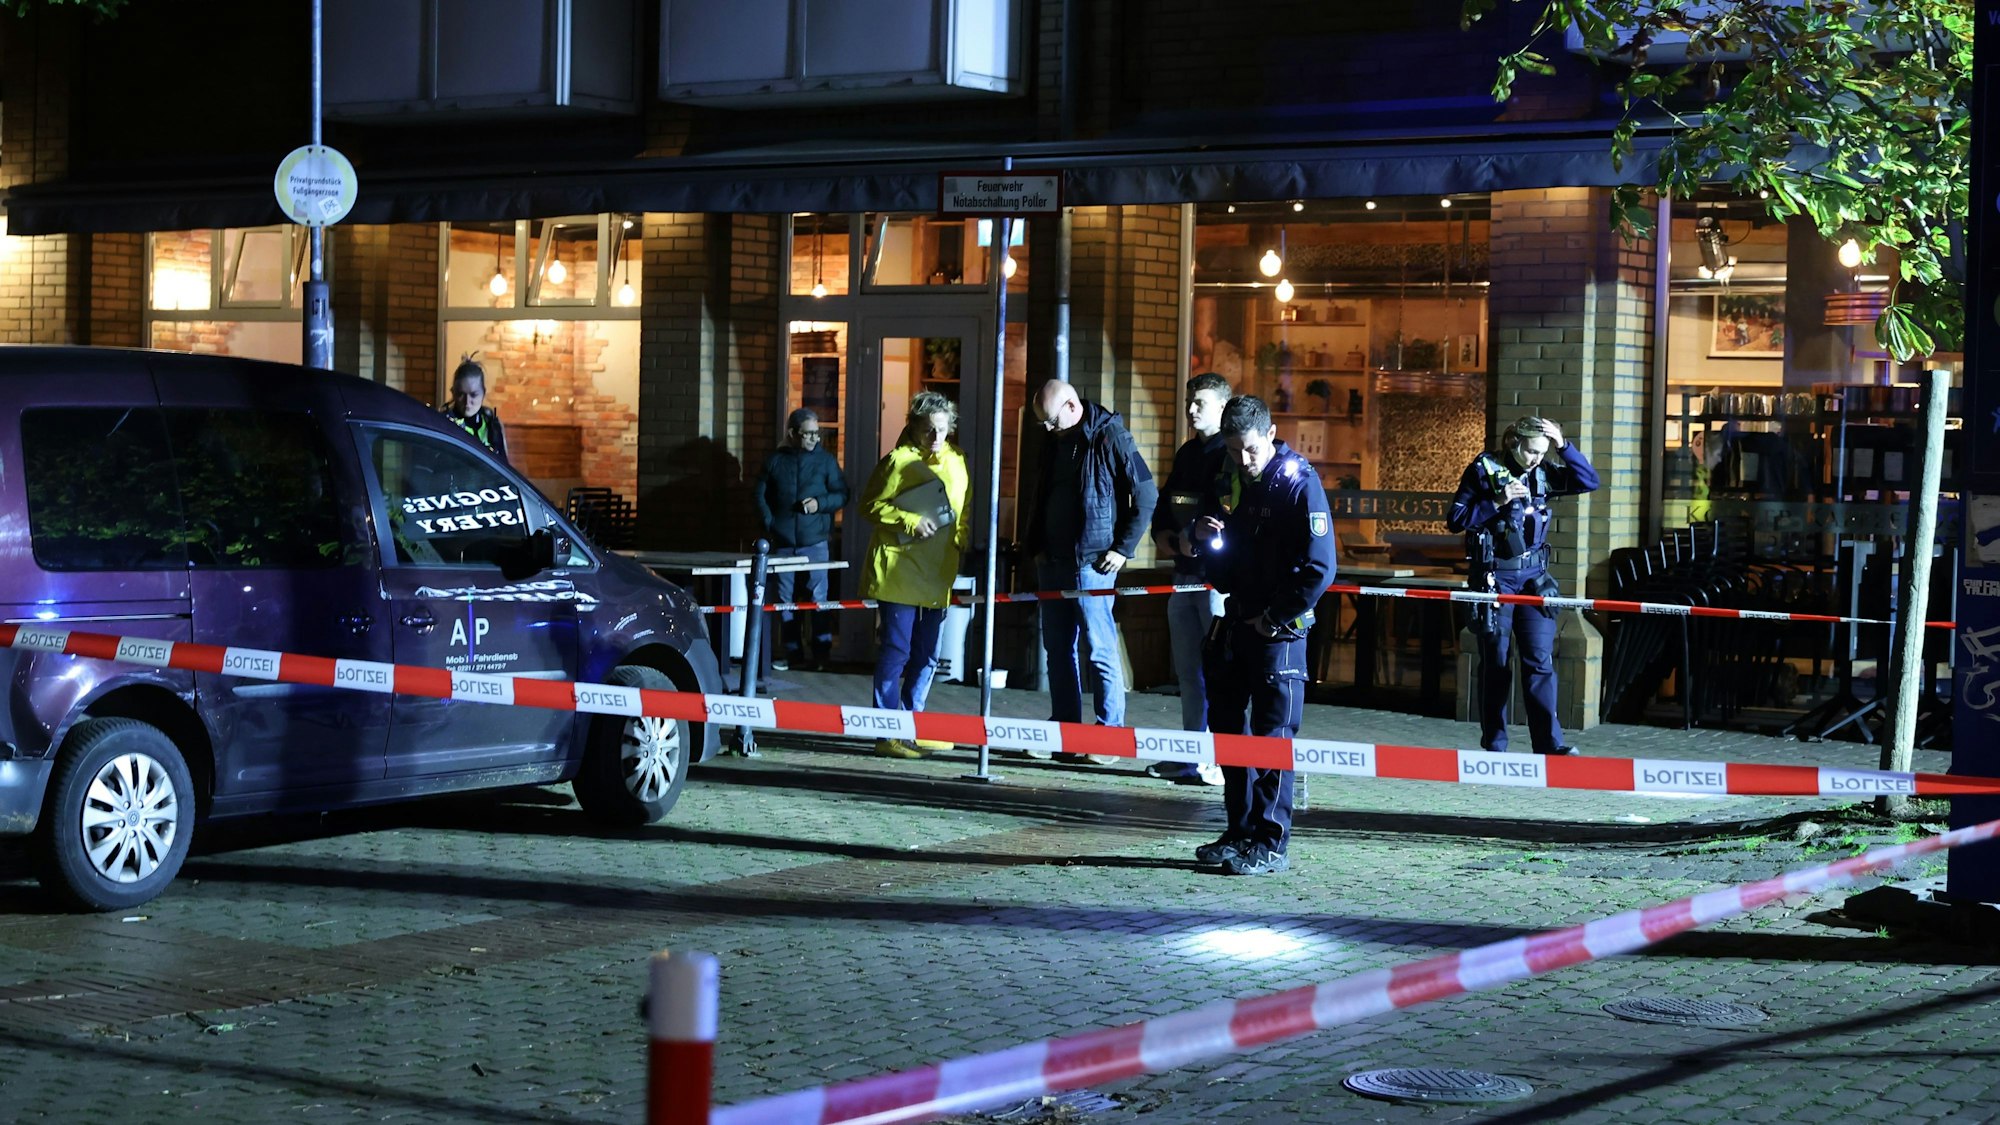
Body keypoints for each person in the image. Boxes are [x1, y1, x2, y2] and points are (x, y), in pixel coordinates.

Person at [1188, 395, 1334, 876]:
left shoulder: (1298, 483)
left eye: (1250, 449)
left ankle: (1272, 842)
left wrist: (1275, 617)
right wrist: (1201, 534)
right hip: (1235, 620)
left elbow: (1320, 568)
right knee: (1230, 733)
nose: (1243, 461)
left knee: (1272, 740)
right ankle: (1240, 831)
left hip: (1279, 633)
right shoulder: (1226, 477)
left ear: (1270, 434)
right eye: (1234, 451)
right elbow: (1215, 547)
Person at [1447, 415, 1601, 756]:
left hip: (1533, 578)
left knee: (1539, 661)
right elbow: (1455, 520)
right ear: (1512, 443)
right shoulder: (1484, 470)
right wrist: (1496, 502)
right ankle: (1496, 744)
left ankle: (1549, 744)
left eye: (1542, 453)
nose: (1535, 459)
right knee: (1497, 663)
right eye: (1531, 451)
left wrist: (1563, 445)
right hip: (1496, 577)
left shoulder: (1543, 472)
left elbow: (1589, 481)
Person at [1024, 379, 1158, 763]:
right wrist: (1035, 547)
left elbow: (1146, 494)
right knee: (1057, 649)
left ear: (1070, 406)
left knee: (1099, 647)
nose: (1048, 430)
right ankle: (1065, 731)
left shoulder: (1111, 436)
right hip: (1053, 559)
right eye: (1043, 424)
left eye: (1050, 421)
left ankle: (1109, 735)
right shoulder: (1055, 440)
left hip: (1093, 562)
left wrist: (1122, 549)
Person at [858, 391, 970, 759]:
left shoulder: (956, 460)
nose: (936, 438)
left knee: (927, 655)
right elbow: (870, 505)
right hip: (899, 569)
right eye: (928, 430)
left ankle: (911, 725)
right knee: (896, 650)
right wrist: (908, 519)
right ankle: (886, 730)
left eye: (942, 429)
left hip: (938, 572)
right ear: (913, 427)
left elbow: (961, 508)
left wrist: (960, 540)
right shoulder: (897, 461)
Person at [1146, 372, 1231, 786]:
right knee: (1187, 672)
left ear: (1222, 406)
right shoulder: (1186, 453)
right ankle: (1191, 754)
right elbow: (1166, 504)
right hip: (1182, 577)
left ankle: (1217, 756)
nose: (1191, 409)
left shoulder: (1229, 456)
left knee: (1217, 671)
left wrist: (1190, 536)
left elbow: (1224, 513)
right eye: (1188, 402)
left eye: (1200, 402)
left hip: (1213, 583)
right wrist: (1165, 536)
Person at [754, 408, 849, 671]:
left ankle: (821, 655)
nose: (815, 439)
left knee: (819, 598)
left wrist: (819, 504)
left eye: (817, 434)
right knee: (785, 600)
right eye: (809, 434)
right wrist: (770, 522)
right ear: (793, 433)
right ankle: (792, 653)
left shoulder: (826, 462)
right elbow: (759, 493)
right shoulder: (775, 460)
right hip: (783, 542)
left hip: (815, 541)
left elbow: (842, 494)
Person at [443, 354, 509, 463]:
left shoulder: (491, 423)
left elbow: (504, 464)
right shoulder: (443, 422)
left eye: (474, 395)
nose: (467, 402)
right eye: (461, 395)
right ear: (453, 393)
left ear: (484, 393)